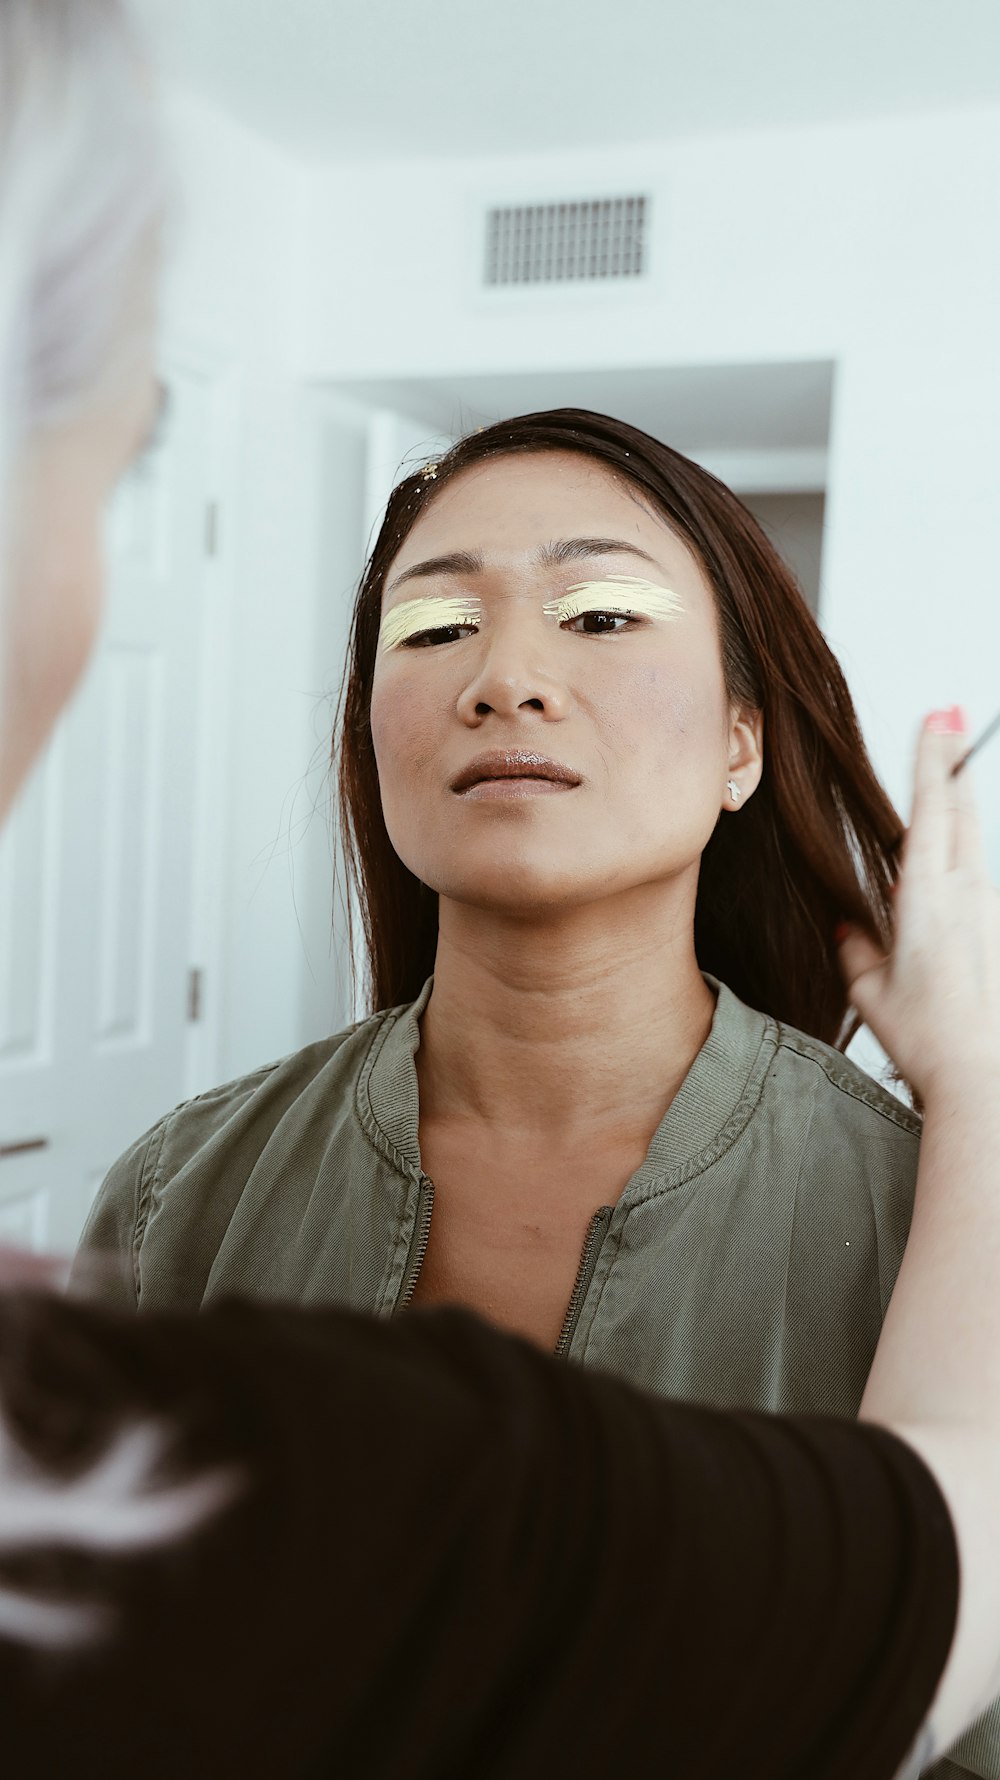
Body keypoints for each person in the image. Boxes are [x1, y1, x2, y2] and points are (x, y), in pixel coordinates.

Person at [0, 2, 999, 1775]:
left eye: (603, 616)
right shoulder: (180, 1194)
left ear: (747, 749)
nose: (507, 677)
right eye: (437, 624)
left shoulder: (923, 1228)